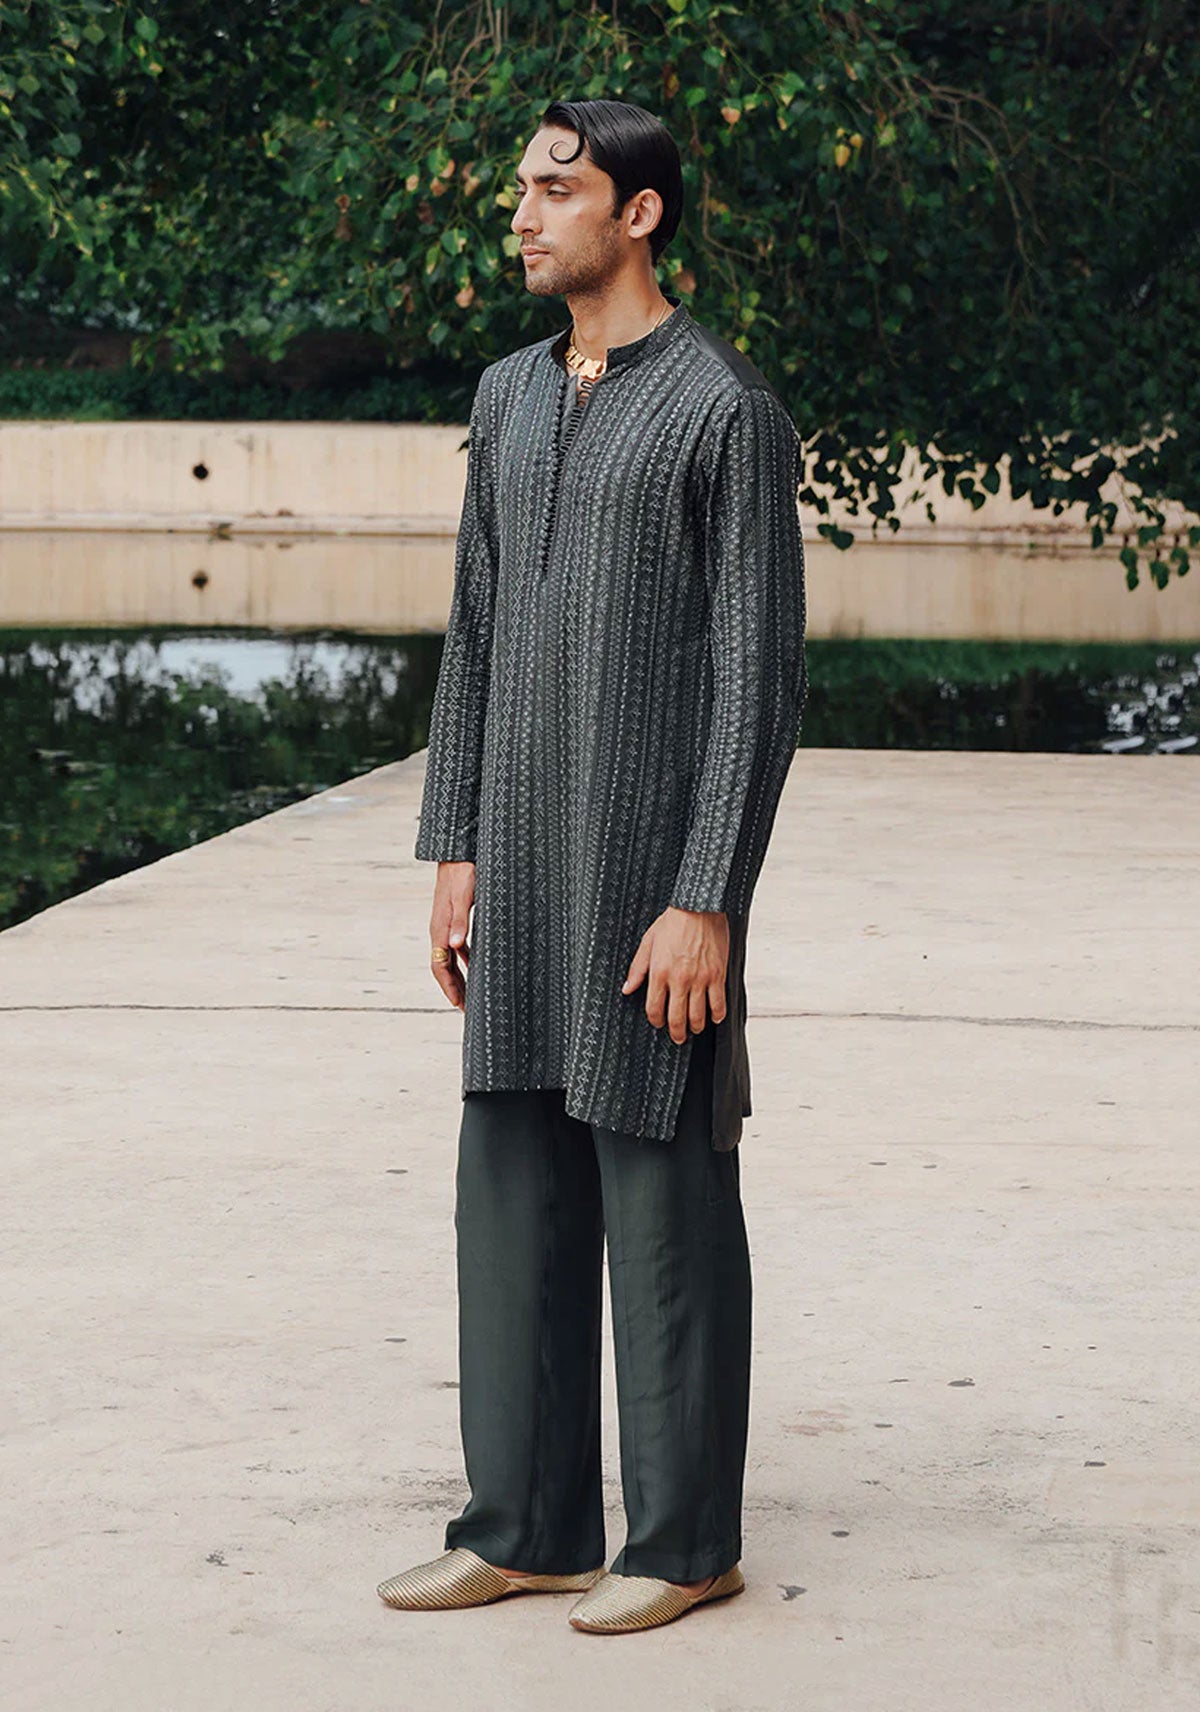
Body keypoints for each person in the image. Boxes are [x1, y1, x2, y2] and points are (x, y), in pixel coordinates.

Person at [376, 97, 807, 1636]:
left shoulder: (723, 409)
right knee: (511, 1192)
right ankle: (527, 1525)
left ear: (638, 214)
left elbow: (758, 680)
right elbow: (477, 629)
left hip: (648, 880)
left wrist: (708, 898)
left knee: (663, 1199)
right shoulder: (505, 396)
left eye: (557, 189)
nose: (522, 211)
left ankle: (685, 1544)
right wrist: (454, 845)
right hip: (521, 863)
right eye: (520, 187)